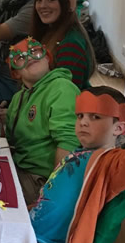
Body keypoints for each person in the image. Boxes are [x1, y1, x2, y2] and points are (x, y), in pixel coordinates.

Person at [30, 83, 125, 243]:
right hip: (33, 234)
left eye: (95, 117)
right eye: (80, 116)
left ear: (120, 128)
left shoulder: (111, 163)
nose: (84, 123)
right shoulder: (77, 152)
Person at [5, 37, 80, 205]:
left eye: (35, 51)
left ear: (47, 58)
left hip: (39, 180)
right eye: (20, 58)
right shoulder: (18, 98)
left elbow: (68, 143)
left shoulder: (61, 88)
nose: (30, 57)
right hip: (19, 167)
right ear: (16, 73)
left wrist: (51, 195)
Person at [32, 0, 95, 89]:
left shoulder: (70, 44)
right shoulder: (50, 30)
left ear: (65, 3)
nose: (42, 6)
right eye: (38, 0)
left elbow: (66, 96)